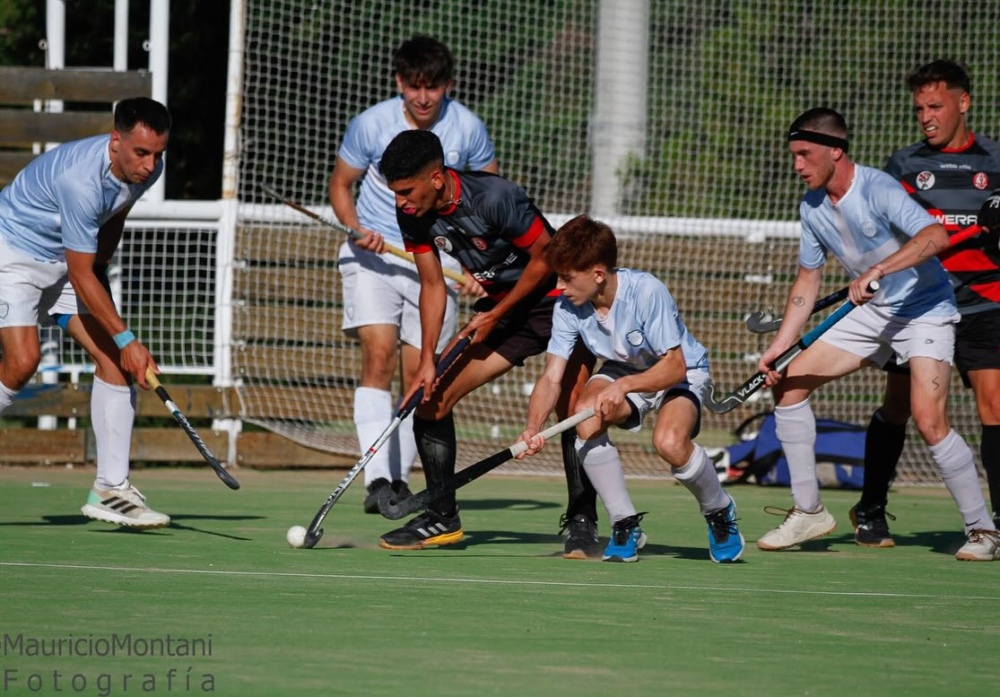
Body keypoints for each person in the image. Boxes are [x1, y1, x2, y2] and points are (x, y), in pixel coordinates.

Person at [755, 107, 1000, 561]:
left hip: (925, 311)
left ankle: (984, 530)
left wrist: (881, 268)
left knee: (928, 420)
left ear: (835, 151)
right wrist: (780, 345)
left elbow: (935, 236)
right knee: (788, 384)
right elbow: (807, 281)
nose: (797, 166)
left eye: (805, 154)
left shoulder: (878, 187)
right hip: (870, 313)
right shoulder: (811, 208)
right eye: (794, 156)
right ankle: (809, 511)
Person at [368, 129, 599, 556]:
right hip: (502, 312)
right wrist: (427, 361)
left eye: (406, 190)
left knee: (574, 408)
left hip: (559, 304)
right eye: (395, 192)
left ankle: (582, 519)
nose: (400, 202)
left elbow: (546, 257)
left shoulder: (494, 197)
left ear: (437, 178)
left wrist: (494, 313)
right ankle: (441, 517)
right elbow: (433, 285)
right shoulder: (412, 213)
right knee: (430, 400)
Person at [328, 35, 497, 513]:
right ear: (400, 83)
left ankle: (398, 484)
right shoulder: (370, 124)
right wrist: (356, 228)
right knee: (377, 357)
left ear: (449, 85)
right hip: (373, 258)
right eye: (414, 86)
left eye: (434, 87)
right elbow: (342, 185)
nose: (423, 97)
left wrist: (476, 261)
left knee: (416, 374)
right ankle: (376, 480)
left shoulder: (467, 128)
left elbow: (487, 192)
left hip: (436, 261)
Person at [517, 215, 745, 563]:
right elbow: (551, 377)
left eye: (566, 278)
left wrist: (624, 386)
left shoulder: (645, 291)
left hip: (679, 373)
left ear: (597, 273)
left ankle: (718, 511)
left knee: (669, 443)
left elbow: (674, 365)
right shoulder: (567, 307)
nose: (560, 286)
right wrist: (533, 427)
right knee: (586, 420)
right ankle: (624, 522)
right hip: (622, 369)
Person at [0, 97, 171, 528]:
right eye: (141, 153)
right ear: (116, 141)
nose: (150, 166)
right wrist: (128, 338)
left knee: (113, 361)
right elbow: (80, 276)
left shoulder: (146, 170)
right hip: (12, 254)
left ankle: (111, 489)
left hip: (64, 259)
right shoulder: (81, 181)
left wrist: (103, 266)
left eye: (158, 154)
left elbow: (115, 215)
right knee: (22, 363)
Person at [851, 60, 1000, 548]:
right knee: (898, 407)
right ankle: (870, 507)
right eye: (919, 109)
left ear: (963, 103)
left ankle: (994, 521)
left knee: (994, 405)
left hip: (984, 303)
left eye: (935, 106)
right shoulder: (904, 166)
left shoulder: (996, 162)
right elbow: (884, 232)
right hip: (919, 305)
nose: (926, 117)